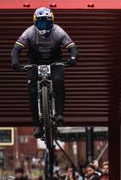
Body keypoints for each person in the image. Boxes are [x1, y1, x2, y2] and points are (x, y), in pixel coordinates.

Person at [11, 7, 78, 137]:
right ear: (35, 23)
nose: (43, 26)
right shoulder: (29, 33)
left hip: (54, 62)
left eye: (46, 23)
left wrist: (72, 58)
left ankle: (59, 114)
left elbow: (73, 47)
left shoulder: (58, 31)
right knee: (32, 91)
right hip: (34, 63)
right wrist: (15, 62)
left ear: (51, 23)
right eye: (41, 23)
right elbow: (15, 49)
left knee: (58, 81)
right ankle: (37, 125)